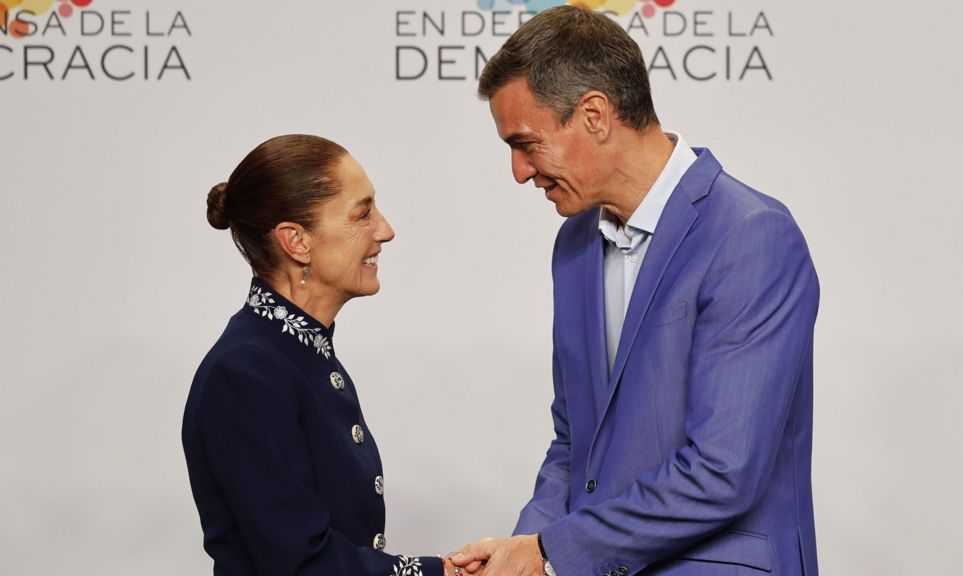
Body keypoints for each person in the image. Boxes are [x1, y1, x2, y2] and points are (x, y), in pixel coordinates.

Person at [452, 6, 820, 576]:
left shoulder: (751, 236)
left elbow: (724, 470)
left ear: (595, 114)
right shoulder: (574, 244)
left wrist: (551, 554)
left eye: (526, 143)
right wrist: (520, 549)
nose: (519, 171)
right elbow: (575, 445)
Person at [182, 135, 464, 576]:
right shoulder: (245, 374)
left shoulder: (296, 354)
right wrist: (441, 573)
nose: (385, 230)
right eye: (362, 213)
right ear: (297, 242)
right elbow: (302, 562)